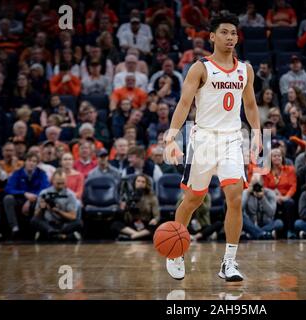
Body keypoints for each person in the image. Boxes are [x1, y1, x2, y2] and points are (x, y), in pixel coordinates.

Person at [162, 14, 261, 282]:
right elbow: (184, 104)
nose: (231, 37)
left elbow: (250, 106)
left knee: (235, 197)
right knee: (193, 199)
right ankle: (175, 250)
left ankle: (229, 262)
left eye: (234, 33)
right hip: (203, 139)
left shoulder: (245, 70)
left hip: (231, 139)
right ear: (212, 37)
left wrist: (258, 133)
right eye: (225, 32)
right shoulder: (200, 68)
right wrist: (171, 136)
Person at [3, 152, 50, 238]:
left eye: (34, 161)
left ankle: (38, 229)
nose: (31, 163)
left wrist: (30, 199)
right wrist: (24, 194)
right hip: (20, 198)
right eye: (29, 160)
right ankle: (14, 228)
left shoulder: (41, 173)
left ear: (37, 163)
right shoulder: (17, 173)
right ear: (25, 162)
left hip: (35, 199)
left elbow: (45, 189)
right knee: (8, 198)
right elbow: (8, 188)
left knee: (44, 200)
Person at [32, 169, 82, 241]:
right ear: (53, 180)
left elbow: (73, 216)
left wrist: (58, 211)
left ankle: (51, 234)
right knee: (34, 221)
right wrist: (41, 208)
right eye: (58, 183)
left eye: (63, 183)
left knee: (78, 223)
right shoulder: (44, 193)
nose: (61, 185)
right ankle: (63, 236)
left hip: (63, 224)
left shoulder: (70, 195)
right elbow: (36, 215)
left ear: (66, 181)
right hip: (48, 223)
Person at [112, 174, 160, 240]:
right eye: (138, 181)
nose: (140, 183)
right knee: (115, 224)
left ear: (146, 184)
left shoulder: (151, 197)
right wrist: (124, 208)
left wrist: (155, 220)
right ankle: (137, 235)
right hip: (132, 223)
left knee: (157, 227)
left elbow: (157, 215)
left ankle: (131, 237)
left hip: (145, 223)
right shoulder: (129, 195)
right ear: (134, 183)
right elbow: (125, 215)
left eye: (143, 182)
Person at [242, 173, 283, 240]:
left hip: (266, 223)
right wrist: (247, 193)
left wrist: (262, 198)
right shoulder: (246, 193)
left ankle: (254, 233)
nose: (256, 187)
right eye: (254, 184)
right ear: (250, 183)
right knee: (241, 219)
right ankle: (263, 233)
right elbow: (239, 209)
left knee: (279, 223)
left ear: (263, 183)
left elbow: (271, 213)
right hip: (251, 223)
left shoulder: (270, 193)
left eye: (258, 184)